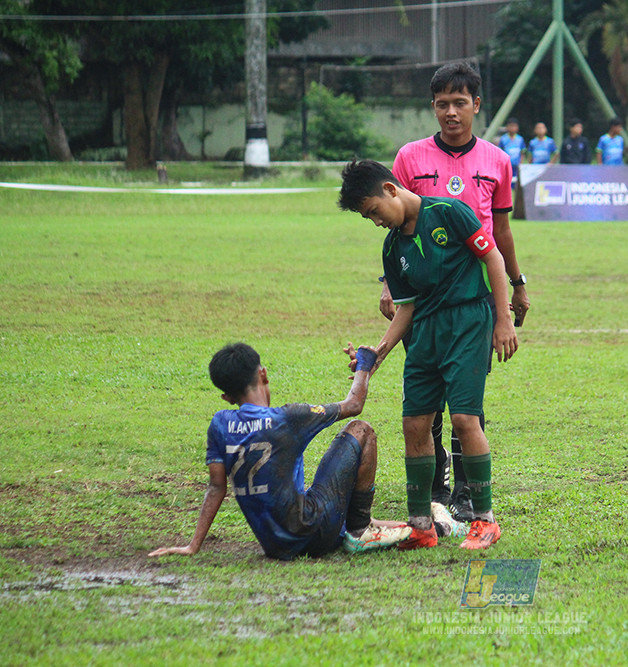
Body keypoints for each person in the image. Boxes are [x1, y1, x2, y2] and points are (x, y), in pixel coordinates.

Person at [339, 159, 518, 550]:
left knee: (464, 418)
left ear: (390, 189)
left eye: (373, 211)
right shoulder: (392, 248)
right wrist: (379, 351)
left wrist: (502, 320)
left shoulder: (448, 212)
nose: (375, 221)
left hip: (469, 322)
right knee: (414, 425)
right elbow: (407, 307)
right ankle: (421, 526)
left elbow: (493, 258)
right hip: (425, 336)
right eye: (367, 218)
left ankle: (485, 521)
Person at [389, 62, 530, 522]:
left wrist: (516, 285)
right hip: (425, 295)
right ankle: (434, 488)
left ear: (476, 105)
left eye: (460, 103)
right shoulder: (410, 157)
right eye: (442, 104)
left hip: (475, 294)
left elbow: (502, 231)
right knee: (424, 396)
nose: (451, 112)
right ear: (433, 106)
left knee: (466, 396)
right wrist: (390, 287)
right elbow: (395, 223)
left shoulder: (497, 160)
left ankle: (469, 493)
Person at [148, 342, 412, 560]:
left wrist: (193, 545)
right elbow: (354, 404)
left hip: (275, 547)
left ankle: (362, 524)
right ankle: (360, 529)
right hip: (314, 533)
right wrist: (365, 364)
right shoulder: (287, 418)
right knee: (360, 430)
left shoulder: (220, 424)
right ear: (263, 374)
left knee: (303, 493)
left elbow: (217, 487)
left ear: (227, 397)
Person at [497, 117, 526, 189]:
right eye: (511, 126)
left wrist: (521, 162)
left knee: (517, 184)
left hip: (517, 165)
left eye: (514, 126)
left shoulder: (520, 139)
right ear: (507, 127)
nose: (512, 128)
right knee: (507, 183)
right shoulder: (503, 139)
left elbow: (523, 152)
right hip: (507, 165)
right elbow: (500, 152)